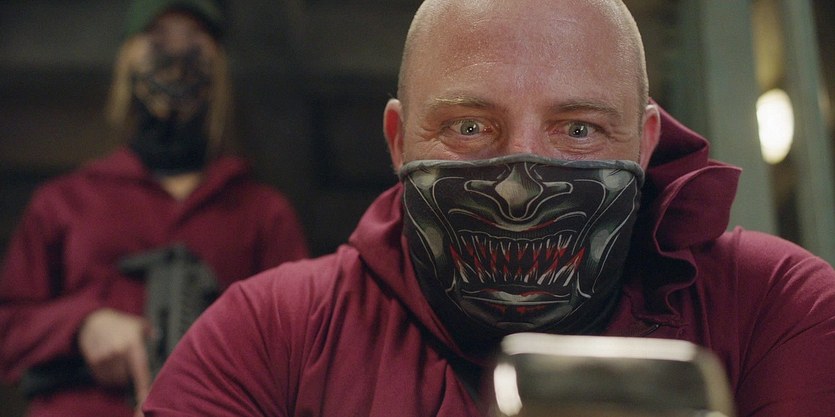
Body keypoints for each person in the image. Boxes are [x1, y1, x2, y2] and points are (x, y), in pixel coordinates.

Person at [143, 0, 835, 416]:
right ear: (398, 139)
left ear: (645, 141)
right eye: (469, 126)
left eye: (578, 128)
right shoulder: (270, 335)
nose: (519, 188)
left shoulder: (772, 307)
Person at [0, 1, 309, 416]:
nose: (176, 58)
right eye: (158, 40)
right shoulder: (63, 202)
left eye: (194, 43)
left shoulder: (263, 213)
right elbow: (8, 326)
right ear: (127, 58)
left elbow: (300, 347)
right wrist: (82, 325)